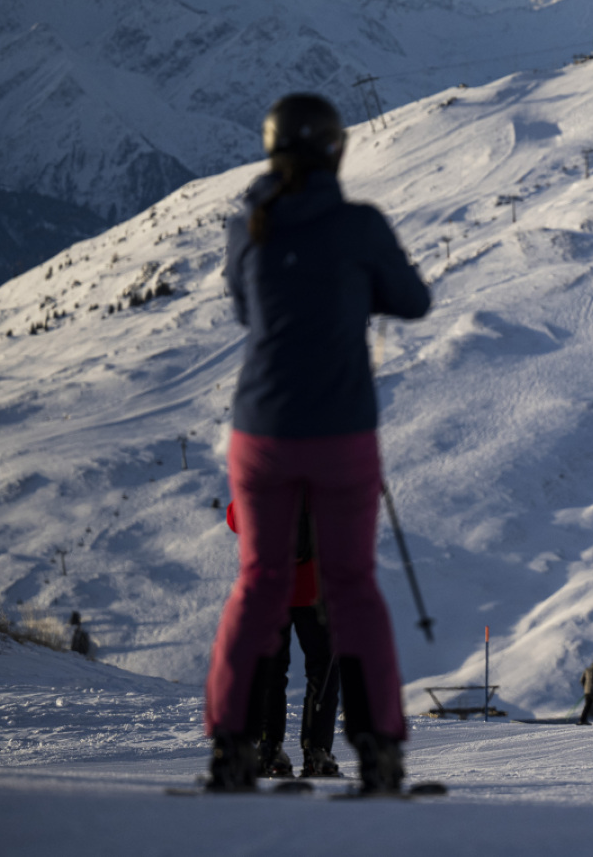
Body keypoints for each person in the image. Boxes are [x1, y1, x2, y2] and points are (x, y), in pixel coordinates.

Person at [204, 93, 431, 793]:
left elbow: (248, 308)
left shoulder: (248, 225)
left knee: (257, 587)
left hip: (261, 426)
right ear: (336, 150)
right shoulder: (359, 226)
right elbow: (414, 300)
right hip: (339, 426)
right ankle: (380, 752)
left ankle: (233, 747)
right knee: (352, 588)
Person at [225, 501, 340, 777]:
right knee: (323, 669)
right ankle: (317, 753)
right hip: (315, 589)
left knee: (270, 670)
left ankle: (269, 750)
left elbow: (236, 520)